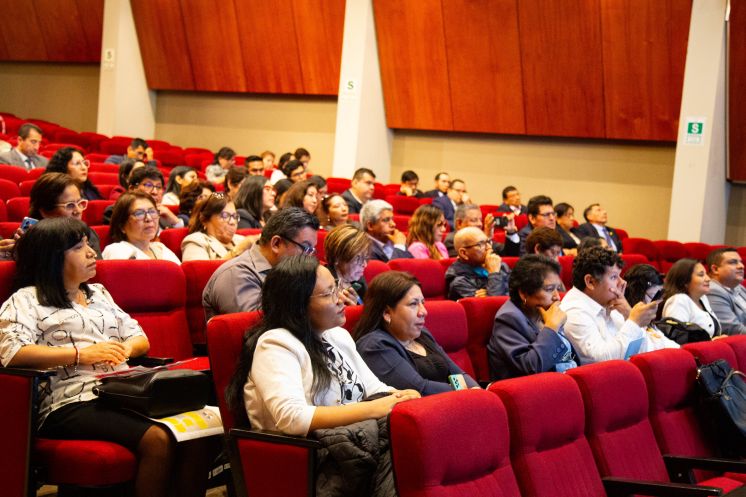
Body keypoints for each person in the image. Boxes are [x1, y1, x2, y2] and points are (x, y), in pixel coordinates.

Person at [0, 217, 214, 497]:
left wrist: (125, 349)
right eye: (78, 247)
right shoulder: (27, 299)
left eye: (89, 244)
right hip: (69, 400)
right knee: (157, 439)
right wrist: (79, 354)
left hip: (120, 390)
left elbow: (140, 338)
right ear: (51, 258)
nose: (91, 253)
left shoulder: (98, 293)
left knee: (199, 433)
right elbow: (11, 352)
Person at [226, 255, 420, 436]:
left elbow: (374, 388)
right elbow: (293, 418)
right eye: (328, 293)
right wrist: (375, 408)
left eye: (336, 288)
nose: (340, 299)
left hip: (358, 441)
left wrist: (400, 396)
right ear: (298, 304)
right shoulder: (276, 344)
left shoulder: (338, 335)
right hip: (309, 456)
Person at [354, 271, 479, 395]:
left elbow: (457, 373)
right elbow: (419, 390)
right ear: (387, 313)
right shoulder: (374, 346)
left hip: (454, 403)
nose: (423, 311)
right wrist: (466, 393)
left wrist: (477, 392)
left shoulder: (422, 334)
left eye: (422, 303)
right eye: (413, 304)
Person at [560, 246, 671, 364]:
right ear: (590, 282)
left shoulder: (610, 303)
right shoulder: (574, 311)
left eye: (620, 276)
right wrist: (633, 322)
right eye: (614, 277)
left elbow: (645, 351)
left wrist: (629, 314)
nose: (622, 282)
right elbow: (600, 361)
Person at [202, 207, 319, 319]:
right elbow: (259, 328)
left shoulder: (286, 272)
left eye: (312, 250)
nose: (309, 257)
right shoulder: (236, 275)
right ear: (276, 244)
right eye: (306, 248)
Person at [487, 255, 578, 380]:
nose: (557, 296)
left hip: (563, 382)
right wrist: (551, 328)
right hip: (530, 392)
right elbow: (531, 367)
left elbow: (568, 358)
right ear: (524, 293)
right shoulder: (508, 318)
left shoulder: (543, 311)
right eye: (549, 289)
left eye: (557, 289)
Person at [28, 173, 102, 258]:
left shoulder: (89, 234)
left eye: (80, 203)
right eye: (70, 205)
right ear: (45, 212)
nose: (78, 211)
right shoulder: (26, 237)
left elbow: (96, 268)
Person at [103, 192, 181, 264]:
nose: (149, 218)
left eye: (152, 211)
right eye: (139, 213)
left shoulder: (161, 248)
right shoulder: (116, 251)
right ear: (122, 226)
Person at [104, 166, 183, 230]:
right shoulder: (115, 211)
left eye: (159, 187)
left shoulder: (162, 213)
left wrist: (175, 220)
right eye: (148, 185)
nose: (154, 192)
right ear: (132, 189)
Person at [181, 193, 253, 261]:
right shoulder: (196, 241)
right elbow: (200, 273)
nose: (232, 222)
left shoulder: (241, 240)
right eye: (225, 216)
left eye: (235, 216)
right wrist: (236, 251)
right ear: (204, 219)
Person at [661, 259, 721, 338]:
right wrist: (712, 342)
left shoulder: (703, 298)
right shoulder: (678, 300)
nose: (708, 279)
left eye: (706, 274)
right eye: (701, 275)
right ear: (685, 281)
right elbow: (678, 339)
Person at [445, 227, 509, 300]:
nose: (489, 247)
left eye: (488, 242)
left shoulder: (501, 266)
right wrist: (494, 274)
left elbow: (519, 295)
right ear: (464, 253)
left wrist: (489, 293)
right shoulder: (459, 283)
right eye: (481, 244)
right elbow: (493, 305)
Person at [324, 225, 371, 305]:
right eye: (358, 258)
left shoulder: (359, 281)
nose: (365, 265)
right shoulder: (325, 284)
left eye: (365, 258)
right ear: (337, 258)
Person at [706, 247, 746, 335]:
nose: (741, 266)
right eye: (733, 262)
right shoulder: (712, 291)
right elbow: (733, 330)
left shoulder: (738, 287)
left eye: (741, 262)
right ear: (715, 269)